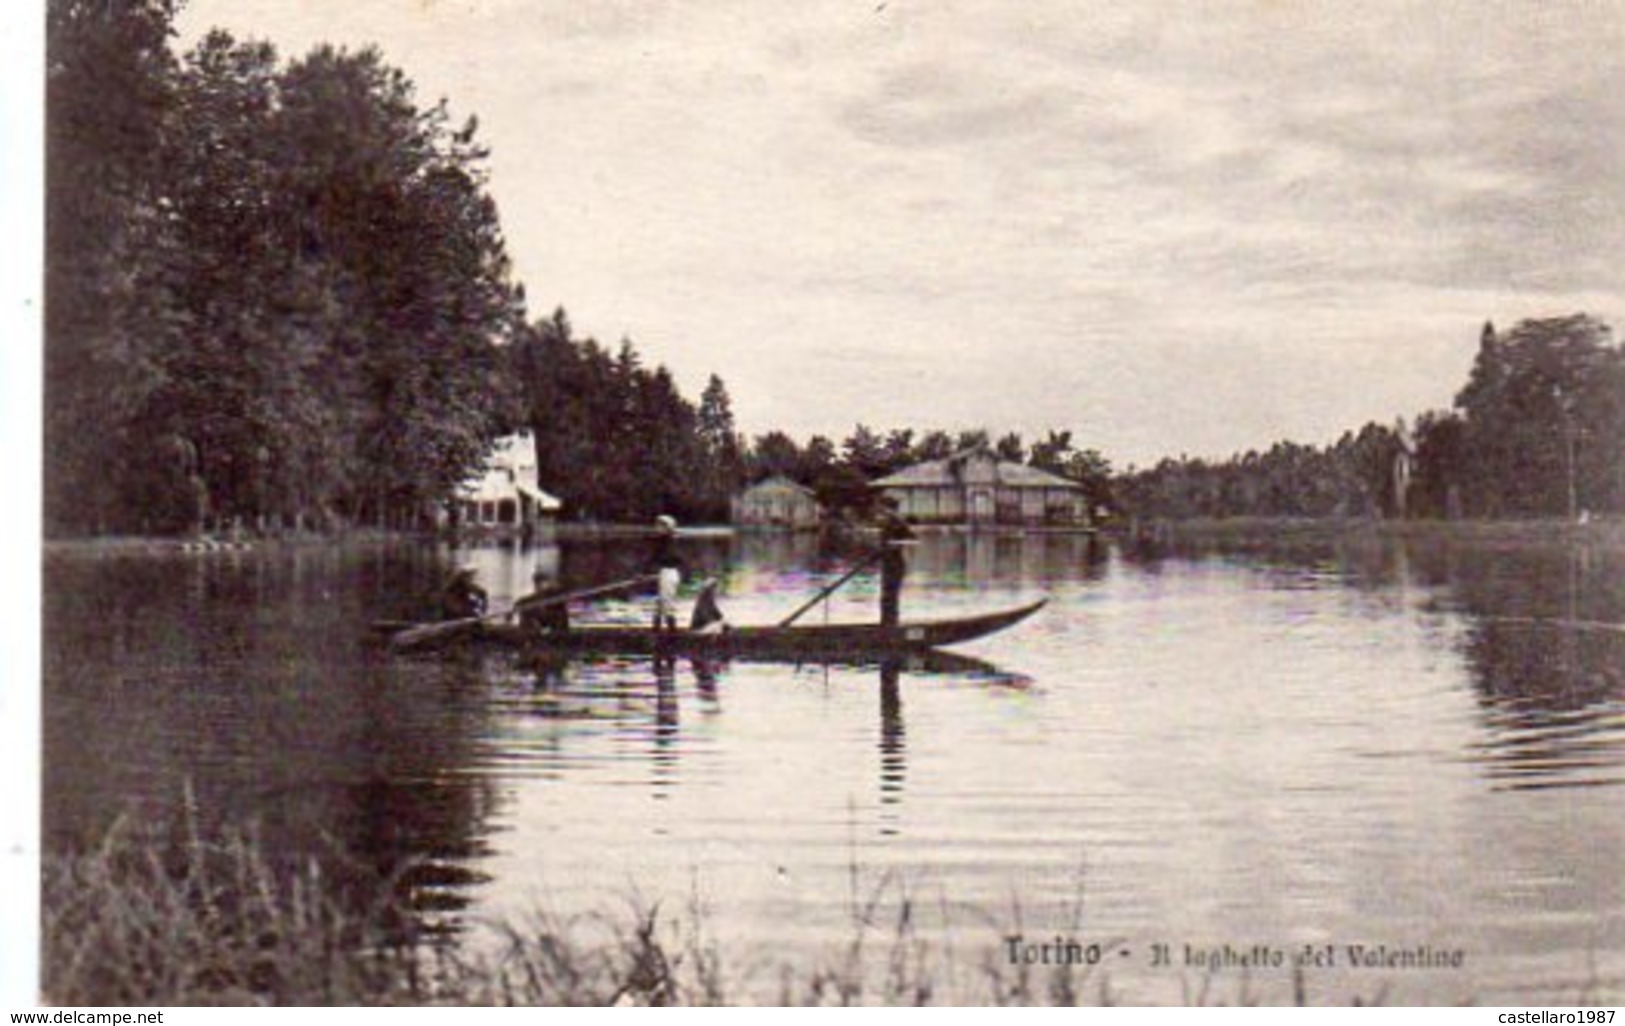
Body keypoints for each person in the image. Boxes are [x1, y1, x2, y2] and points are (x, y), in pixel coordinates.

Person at [878, 501, 916, 628]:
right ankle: (886, 623)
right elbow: (883, 543)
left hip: (895, 563)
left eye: (885, 510)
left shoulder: (898, 523)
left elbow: (912, 539)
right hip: (886, 562)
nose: (883, 513)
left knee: (891, 594)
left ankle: (891, 624)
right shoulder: (886, 523)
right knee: (886, 595)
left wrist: (895, 544)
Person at [648, 515, 684, 633]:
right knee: (660, 602)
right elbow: (654, 557)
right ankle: (656, 629)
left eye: (660, 526)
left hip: (669, 572)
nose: (657, 528)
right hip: (665, 572)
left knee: (666, 601)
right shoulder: (663, 541)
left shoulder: (670, 541)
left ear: (667, 528)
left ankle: (671, 631)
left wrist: (649, 569)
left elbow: (673, 558)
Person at [514, 566, 570, 636]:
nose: (538, 586)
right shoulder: (529, 600)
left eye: (541, 583)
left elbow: (561, 617)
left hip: (553, 629)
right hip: (534, 629)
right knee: (527, 612)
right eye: (537, 583)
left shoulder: (555, 597)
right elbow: (520, 603)